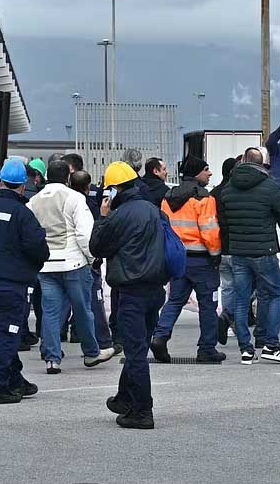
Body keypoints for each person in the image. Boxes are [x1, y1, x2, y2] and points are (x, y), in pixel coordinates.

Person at [90, 161, 167, 429]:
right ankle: (125, 397)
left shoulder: (118, 216)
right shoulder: (152, 210)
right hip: (155, 289)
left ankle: (142, 411)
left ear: (113, 190)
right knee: (140, 345)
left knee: (135, 353)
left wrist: (102, 216)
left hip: (130, 290)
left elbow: (96, 246)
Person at [0, 159, 50, 405]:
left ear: (1, 181)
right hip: (12, 283)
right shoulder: (22, 214)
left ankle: (14, 378)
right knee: (8, 332)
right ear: (23, 185)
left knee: (1, 329)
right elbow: (38, 248)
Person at [28, 160, 114, 374]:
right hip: (73, 262)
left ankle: (52, 358)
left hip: (46, 265)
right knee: (83, 309)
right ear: (67, 177)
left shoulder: (33, 201)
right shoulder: (75, 198)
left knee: (50, 311)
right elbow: (84, 234)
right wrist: (92, 257)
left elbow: (31, 236)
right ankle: (91, 352)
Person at [218, 147, 280, 364]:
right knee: (275, 294)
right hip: (264, 251)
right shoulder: (270, 186)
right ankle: (271, 344)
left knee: (242, 299)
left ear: (243, 161)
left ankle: (246, 349)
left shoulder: (229, 188)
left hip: (237, 252)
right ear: (262, 163)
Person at [150, 156, 225, 363]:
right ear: (197, 173)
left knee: (174, 301)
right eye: (206, 169)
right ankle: (207, 349)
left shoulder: (168, 197)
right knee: (207, 304)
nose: (209, 173)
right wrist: (216, 254)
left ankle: (160, 336)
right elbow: (210, 231)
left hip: (177, 259)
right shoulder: (204, 198)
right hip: (201, 259)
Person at [70, 170, 116, 354]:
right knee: (95, 300)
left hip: (66, 259)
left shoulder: (66, 202)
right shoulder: (88, 205)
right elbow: (93, 233)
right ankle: (103, 340)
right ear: (88, 186)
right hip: (87, 258)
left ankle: (52, 343)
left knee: (62, 303)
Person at [211, 157, 238, 344]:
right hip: (238, 245)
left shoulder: (214, 193)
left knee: (227, 286)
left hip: (220, 246)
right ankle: (230, 317)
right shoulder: (236, 192)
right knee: (246, 285)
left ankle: (229, 319)